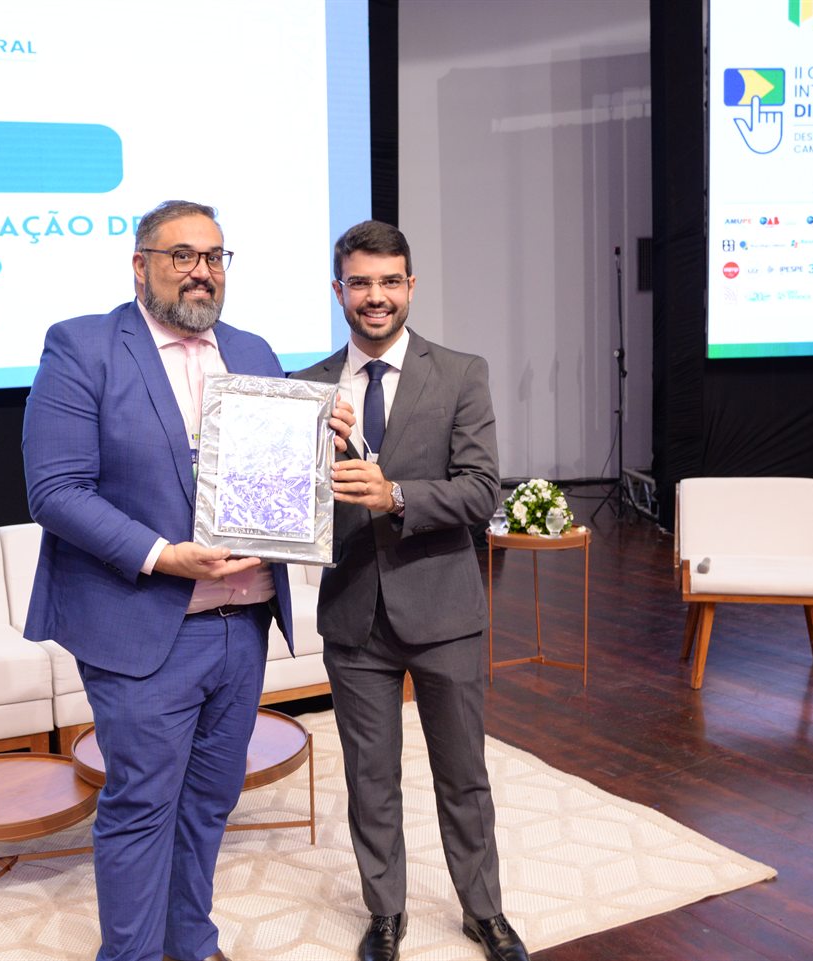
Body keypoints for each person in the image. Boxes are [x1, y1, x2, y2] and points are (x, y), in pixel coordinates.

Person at [22, 200, 349, 961]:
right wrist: (164, 555)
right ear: (140, 266)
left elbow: (276, 479)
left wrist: (321, 447)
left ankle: (191, 942)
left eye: (214, 256)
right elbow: (56, 491)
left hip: (244, 623)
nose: (202, 271)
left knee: (209, 801)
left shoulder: (253, 350)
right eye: (182, 255)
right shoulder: (83, 347)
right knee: (142, 807)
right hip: (143, 625)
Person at [292, 221, 530, 961]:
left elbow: (482, 490)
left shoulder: (460, 373)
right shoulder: (304, 389)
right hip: (353, 616)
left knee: (463, 775)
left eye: (390, 281)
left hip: (445, 611)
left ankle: (484, 911)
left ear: (411, 286)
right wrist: (313, 458)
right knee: (370, 778)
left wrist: (395, 494)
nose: (376, 296)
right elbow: (288, 507)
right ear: (339, 291)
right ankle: (385, 913)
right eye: (361, 283)